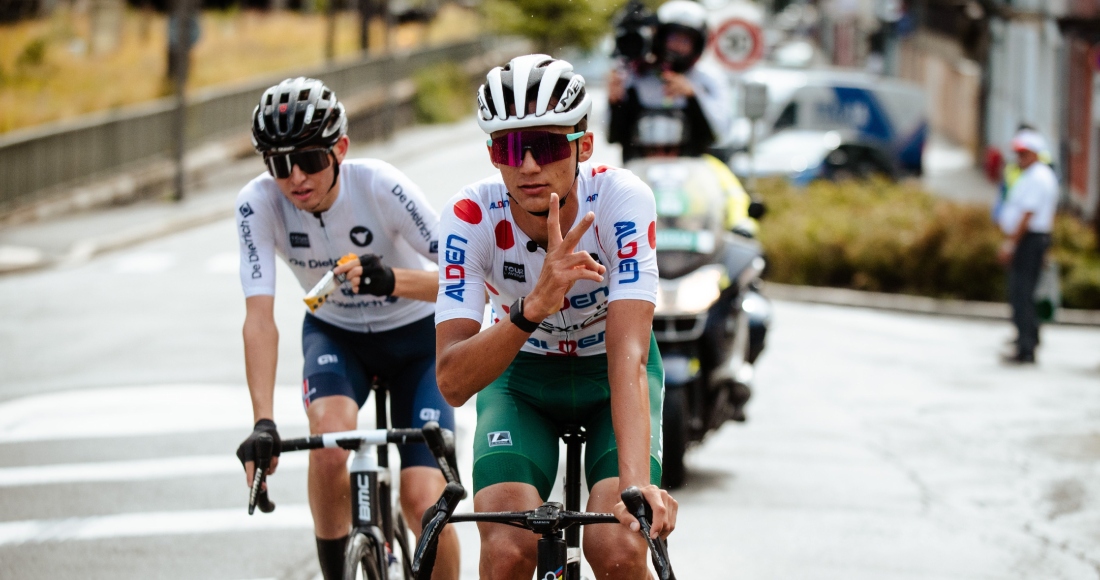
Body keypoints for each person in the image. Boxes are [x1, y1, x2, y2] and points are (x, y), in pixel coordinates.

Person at [435, 54, 678, 579]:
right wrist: (531, 309)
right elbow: (453, 382)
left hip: (609, 373)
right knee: (506, 553)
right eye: (508, 147)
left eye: (544, 146)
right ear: (492, 153)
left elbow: (630, 354)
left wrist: (638, 486)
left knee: (619, 547)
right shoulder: (469, 216)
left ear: (583, 146)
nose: (526, 166)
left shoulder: (620, 199)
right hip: (520, 382)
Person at [232, 77, 459, 580]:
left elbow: (464, 280)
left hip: (417, 341)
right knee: (330, 443)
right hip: (336, 337)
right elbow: (259, 318)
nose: (294, 178)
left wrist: (393, 279)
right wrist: (263, 422)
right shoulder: (258, 204)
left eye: (309, 159)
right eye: (277, 164)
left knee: (423, 501)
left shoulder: (379, 185)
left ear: (341, 149)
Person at [607, 0, 732, 162]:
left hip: (691, 173)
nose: (678, 47)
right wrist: (615, 101)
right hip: (641, 173)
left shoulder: (708, 78)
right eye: (673, 38)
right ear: (659, 38)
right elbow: (612, 136)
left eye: (686, 40)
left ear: (698, 43)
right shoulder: (635, 77)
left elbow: (721, 134)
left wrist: (693, 95)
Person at [997, 129, 1058, 364]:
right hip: (1032, 239)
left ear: (1034, 154)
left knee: (1022, 293)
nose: (1019, 159)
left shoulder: (1038, 177)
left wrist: (1010, 245)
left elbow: (1027, 214)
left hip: (1029, 240)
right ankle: (1027, 340)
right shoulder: (1034, 175)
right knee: (1023, 292)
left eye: (1023, 154)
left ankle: (1026, 348)